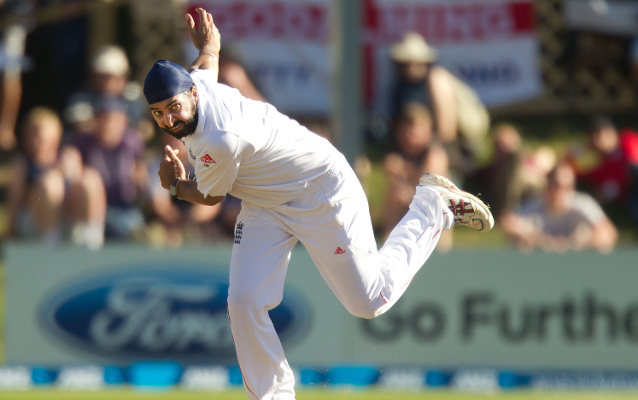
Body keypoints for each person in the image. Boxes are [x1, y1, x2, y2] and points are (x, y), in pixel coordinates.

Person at [147, 9, 494, 400]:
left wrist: (176, 186)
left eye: (173, 108)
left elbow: (208, 197)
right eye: (158, 114)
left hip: (319, 189)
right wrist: (209, 46)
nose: (169, 121)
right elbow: (205, 65)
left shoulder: (219, 138)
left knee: (369, 301)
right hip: (266, 202)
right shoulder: (196, 86)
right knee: (243, 301)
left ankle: (434, 206)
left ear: (192, 95)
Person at [7, 107, 105, 249]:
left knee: (90, 178)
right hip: (35, 222)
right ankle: (51, 245)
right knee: (50, 184)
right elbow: (14, 203)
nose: (38, 140)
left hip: (68, 217)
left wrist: (70, 173)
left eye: (43, 135)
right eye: (34, 134)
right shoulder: (22, 164)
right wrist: (10, 233)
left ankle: (91, 241)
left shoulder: (68, 156)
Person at [501, 161, 617, 253]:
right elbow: (508, 223)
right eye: (556, 185)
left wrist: (576, 245)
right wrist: (538, 239)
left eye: (567, 187)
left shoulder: (582, 204)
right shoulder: (535, 205)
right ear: (547, 185)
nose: (561, 191)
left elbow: (608, 233)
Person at [73, 97, 148, 241]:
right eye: (104, 119)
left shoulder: (132, 143)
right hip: (93, 209)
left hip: (125, 207)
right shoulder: (83, 143)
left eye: (114, 119)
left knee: (131, 230)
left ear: (124, 122)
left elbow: (141, 180)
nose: (109, 125)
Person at [382, 102, 451, 249]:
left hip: (432, 225)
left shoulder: (436, 154)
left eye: (415, 128)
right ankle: (387, 246)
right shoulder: (397, 155)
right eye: (406, 128)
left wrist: (406, 174)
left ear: (429, 131)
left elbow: (427, 190)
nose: (410, 134)